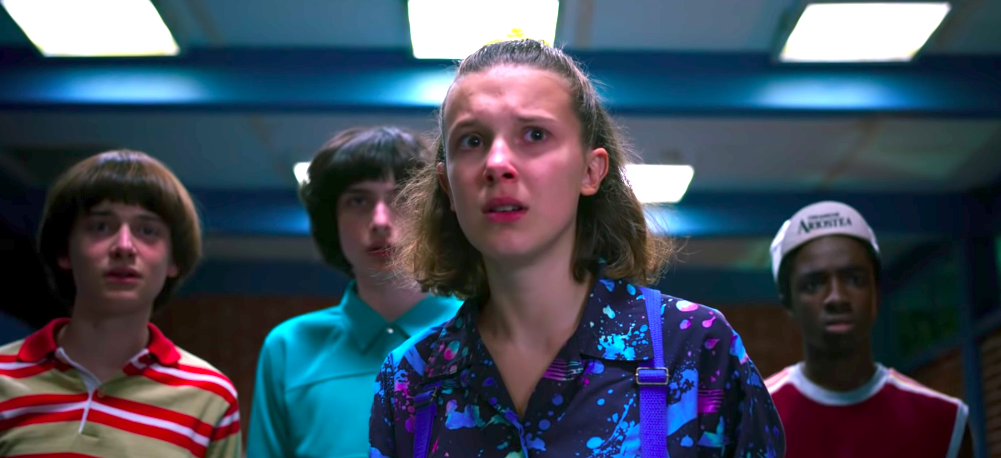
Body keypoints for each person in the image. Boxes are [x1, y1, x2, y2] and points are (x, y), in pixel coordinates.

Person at [368, 39, 785, 458]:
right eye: (472, 141)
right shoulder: (411, 379)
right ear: (448, 185)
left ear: (590, 171)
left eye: (534, 134)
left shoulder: (695, 348)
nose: (496, 163)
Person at [0, 150, 241, 457]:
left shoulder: (211, 396)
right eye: (101, 226)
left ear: (173, 260)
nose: (124, 247)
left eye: (147, 230)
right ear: (64, 251)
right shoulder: (4, 377)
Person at [247, 127, 463, 458]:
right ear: (331, 221)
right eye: (358, 201)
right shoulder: (289, 347)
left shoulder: (483, 328)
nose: (380, 220)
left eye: (401, 198)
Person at [764, 201, 973, 458]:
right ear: (788, 301)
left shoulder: (945, 423)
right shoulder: (751, 419)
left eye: (855, 279)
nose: (836, 297)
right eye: (813, 284)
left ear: (876, 291)